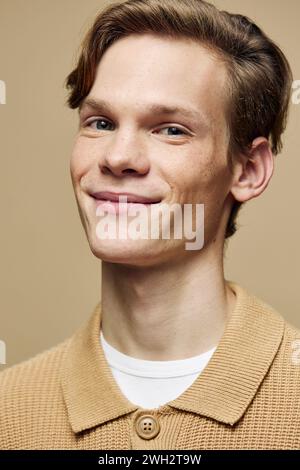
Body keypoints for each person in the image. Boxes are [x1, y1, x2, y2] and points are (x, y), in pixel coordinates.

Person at [0, 0, 299, 450]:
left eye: (170, 129)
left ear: (248, 170)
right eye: (100, 123)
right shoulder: (10, 409)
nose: (118, 157)